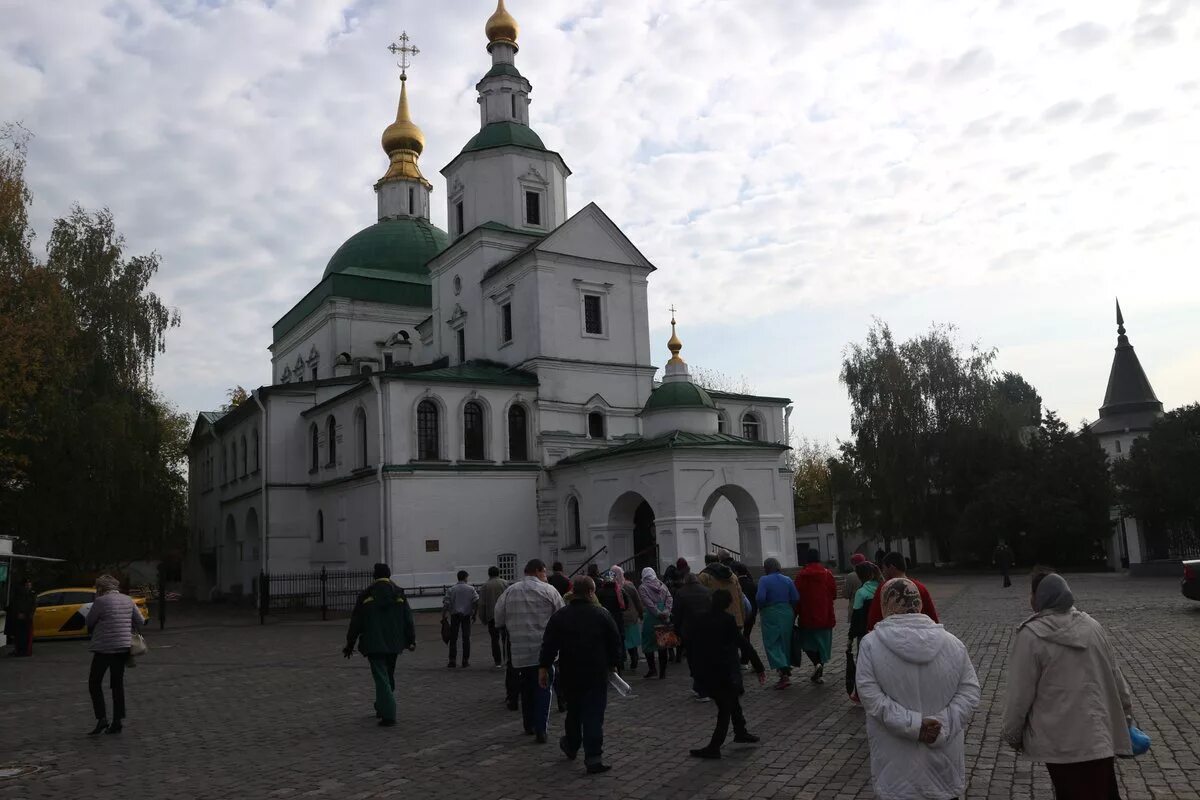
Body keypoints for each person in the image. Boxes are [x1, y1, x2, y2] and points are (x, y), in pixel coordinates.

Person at [1001, 571, 1134, 800]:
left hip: (1061, 743)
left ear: (1039, 597)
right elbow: (1116, 676)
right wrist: (1126, 715)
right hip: (1098, 735)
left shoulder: (1031, 636)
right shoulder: (1093, 627)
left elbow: (1019, 694)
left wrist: (1012, 734)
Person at [856, 577, 980, 800]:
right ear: (919, 603)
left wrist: (913, 725)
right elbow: (970, 692)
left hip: (896, 767)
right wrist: (942, 724)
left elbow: (870, 697)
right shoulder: (953, 643)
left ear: (885, 604)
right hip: (944, 762)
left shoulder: (870, 644)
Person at [539, 576, 621, 775]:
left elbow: (549, 643)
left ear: (573, 592)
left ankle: (572, 744)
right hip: (595, 672)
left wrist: (544, 666)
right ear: (591, 592)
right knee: (593, 715)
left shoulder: (561, 616)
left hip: (570, 671)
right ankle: (593, 757)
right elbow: (614, 642)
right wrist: (613, 665)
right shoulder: (601, 614)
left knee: (574, 712)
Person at [687, 589, 767, 759]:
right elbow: (743, 644)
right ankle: (715, 746)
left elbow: (691, 644)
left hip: (706, 669)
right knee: (725, 708)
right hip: (723, 669)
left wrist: (694, 669)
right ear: (728, 604)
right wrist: (759, 666)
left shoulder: (700, 618)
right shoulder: (727, 620)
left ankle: (740, 731)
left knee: (732, 701)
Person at [494, 559, 565, 743]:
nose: (546, 575)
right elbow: (562, 616)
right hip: (544, 651)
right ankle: (541, 728)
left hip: (519, 651)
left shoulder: (510, 591)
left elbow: (498, 618)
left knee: (526, 688)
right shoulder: (549, 591)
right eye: (544, 571)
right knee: (543, 689)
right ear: (539, 570)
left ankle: (529, 724)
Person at [344, 563, 417, 727]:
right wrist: (411, 639)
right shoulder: (398, 594)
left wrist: (350, 644)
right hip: (394, 642)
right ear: (389, 575)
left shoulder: (366, 596)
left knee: (381, 677)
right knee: (388, 675)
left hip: (374, 642)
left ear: (374, 576)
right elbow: (408, 619)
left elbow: (356, 622)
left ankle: (389, 714)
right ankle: (381, 706)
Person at [85, 575, 147, 735]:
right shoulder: (128, 599)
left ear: (101, 588)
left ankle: (102, 718)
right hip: (123, 647)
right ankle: (118, 721)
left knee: (94, 682)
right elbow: (140, 621)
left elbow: (89, 621)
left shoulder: (100, 602)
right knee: (117, 684)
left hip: (104, 648)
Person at [793, 548, 838, 684]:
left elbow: (796, 597)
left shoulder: (801, 576)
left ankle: (816, 663)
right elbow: (834, 594)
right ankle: (820, 671)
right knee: (823, 645)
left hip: (807, 615)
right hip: (825, 615)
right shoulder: (827, 574)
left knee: (806, 643)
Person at [866, 552, 939, 632]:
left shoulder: (885, 588)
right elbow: (932, 616)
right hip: (919, 634)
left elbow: (874, 617)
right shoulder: (920, 587)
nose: (883, 572)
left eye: (883, 569)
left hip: (891, 635)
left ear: (891, 567)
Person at [755, 557, 799, 689]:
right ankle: (785, 668)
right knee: (785, 641)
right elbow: (796, 597)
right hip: (787, 612)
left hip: (771, 612)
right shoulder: (787, 579)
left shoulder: (764, 580)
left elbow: (760, 598)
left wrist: (762, 607)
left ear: (766, 568)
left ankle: (783, 670)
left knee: (773, 642)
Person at [671, 570, 714, 700]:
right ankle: (702, 686)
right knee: (705, 658)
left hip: (689, 631)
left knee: (694, 659)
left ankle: (701, 688)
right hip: (706, 629)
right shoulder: (707, 591)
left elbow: (677, 614)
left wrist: (676, 630)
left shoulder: (681, 593)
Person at [846, 560, 882, 702]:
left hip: (865, 634)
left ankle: (860, 694)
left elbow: (856, 618)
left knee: (863, 664)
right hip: (882, 631)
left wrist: (850, 638)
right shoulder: (882, 587)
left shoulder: (861, 593)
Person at [637, 566, 673, 679]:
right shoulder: (662, 585)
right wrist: (666, 611)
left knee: (648, 643)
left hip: (651, 617)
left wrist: (657, 613)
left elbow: (648, 603)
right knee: (663, 644)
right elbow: (669, 598)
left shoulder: (642, 587)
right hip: (664, 617)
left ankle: (652, 669)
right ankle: (663, 672)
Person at [609, 565, 644, 670]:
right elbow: (637, 600)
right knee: (632, 640)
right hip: (631, 617)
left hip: (618, 618)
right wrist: (641, 613)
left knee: (622, 640)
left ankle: (622, 662)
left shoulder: (610, 587)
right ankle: (634, 658)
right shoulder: (629, 585)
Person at [698, 554, 746, 628]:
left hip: (715, 622)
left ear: (706, 563)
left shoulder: (704, 577)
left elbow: (701, 599)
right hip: (735, 619)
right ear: (718, 560)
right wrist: (742, 618)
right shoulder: (732, 575)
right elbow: (740, 597)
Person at [443, 570, 478, 668]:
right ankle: (465, 660)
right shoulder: (471, 589)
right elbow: (476, 601)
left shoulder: (451, 589)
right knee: (466, 638)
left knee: (453, 638)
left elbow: (446, 603)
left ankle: (452, 660)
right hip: (466, 615)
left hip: (454, 615)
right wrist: (474, 614)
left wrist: (443, 615)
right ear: (466, 577)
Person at [479, 566, 509, 669]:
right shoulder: (504, 583)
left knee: (494, 639)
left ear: (489, 574)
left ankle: (497, 661)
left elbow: (482, 604)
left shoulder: (485, 586)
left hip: (491, 615)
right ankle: (507, 659)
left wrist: (483, 618)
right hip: (505, 615)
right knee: (506, 639)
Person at [5, 577, 36, 657]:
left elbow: (30, 605)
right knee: (22, 635)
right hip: (24, 617)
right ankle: (22, 651)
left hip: (24, 617)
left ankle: (22, 651)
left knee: (22, 635)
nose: (29, 585)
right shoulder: (26, 593)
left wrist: (23, 613)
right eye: (28, 584)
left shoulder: (26, 593)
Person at [734, 562, 758, 663]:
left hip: (740, 614)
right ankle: (747, 658)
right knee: (746, 636)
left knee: (739, 638)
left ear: (736, 572)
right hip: (751, 614)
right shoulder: (752, 583)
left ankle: (745, 659)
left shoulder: (736, 584)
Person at [844, 553, 867, 619]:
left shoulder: (851, 576)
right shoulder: (872, 574)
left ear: (853, 564)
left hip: (855, 606)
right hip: (869, 607)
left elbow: (846, 595)